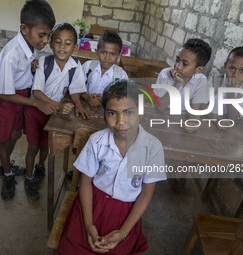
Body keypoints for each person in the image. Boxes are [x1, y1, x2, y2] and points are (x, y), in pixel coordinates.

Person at [58, 80, 166, 254]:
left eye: (129, 112)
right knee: (73, 247)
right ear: (104, 115)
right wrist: (88, 225)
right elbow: (85, 183)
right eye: (112, 113)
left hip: (125, 213)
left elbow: (146, 194)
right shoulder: (97, 141)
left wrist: (123, 232)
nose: (121, 121)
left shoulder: (153, 148)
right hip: (93, 204)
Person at [0, 0, 56, 200]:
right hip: (8, 97)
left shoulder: (30, 43)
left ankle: (4, 163)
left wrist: (32, 67)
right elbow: (4, 94)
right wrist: (36, 102)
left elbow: (23, 68)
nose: (45, 41)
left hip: (20, 95)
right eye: (41, 35)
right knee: (5, 137)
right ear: (24, 29)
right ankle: (7, 174)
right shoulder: (12, 53)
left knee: (16, 134)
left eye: (48, 36)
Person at [23, 23, 88, 200]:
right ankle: (29, 178)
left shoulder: (75, 65)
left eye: (68, 43)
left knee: (46, 144)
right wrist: (58, 106)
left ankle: (40, 166)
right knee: (33, 146)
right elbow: (36, 92)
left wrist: (79, 104)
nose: (62, 47)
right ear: (51, 44)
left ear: (75, 47)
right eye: (58, 42)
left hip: (51, 114)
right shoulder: (44, 63)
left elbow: (75, 89)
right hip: (36, 111)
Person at [154, 38, 212, 133]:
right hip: (159, 118)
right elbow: (160, 108)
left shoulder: (201, 80)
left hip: (180, 120)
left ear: (199, 70)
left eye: (185, 64)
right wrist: (177, 83)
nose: (178, 66)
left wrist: (193, 123)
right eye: (177, 60)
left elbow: (195, 110)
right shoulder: (165, 74)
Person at [204, 47, 243, 129]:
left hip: (226, 128)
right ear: (225, 66)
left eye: (242, 70)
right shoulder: (215, 81)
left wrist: (231, 91)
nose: (235, 74)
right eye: (232, 68)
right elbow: (201, 105)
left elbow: (233, 118)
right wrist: (215, 119)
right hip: (207, 120)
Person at [80, 29, 128, 107]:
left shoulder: (121, 75)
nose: (107, 58)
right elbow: (76, 87)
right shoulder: (88, 66)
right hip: (85, 106)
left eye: (112, 54)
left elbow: (123, 99)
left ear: (119, 55)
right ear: (97, 52)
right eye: (103, 52)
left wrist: (105, 98)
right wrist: (88, 97)